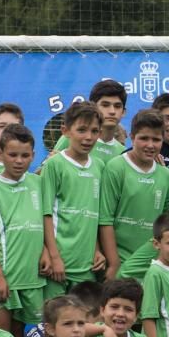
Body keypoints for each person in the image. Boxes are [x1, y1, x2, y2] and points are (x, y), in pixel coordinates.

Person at [0, 123, 46, 337]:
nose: (19, 160)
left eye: (25, 155)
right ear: (0, 153)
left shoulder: (38, 182)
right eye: (13, 154)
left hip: (33, 278)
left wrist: (45, 250)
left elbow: (46, 221)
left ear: (33, 155)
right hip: (6, 277)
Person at [98, 109, 169, 280]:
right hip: (120, 260)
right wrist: (113, 263)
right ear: (132, 137)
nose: (150, 145)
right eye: (144, 138)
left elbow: (167, 223)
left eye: (156, 139)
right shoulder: (116, 168)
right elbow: (105, 219)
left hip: (151, 263)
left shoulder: (166, 176)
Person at [41, 102, 105, 298]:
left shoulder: (100, 166)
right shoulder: (54, 164)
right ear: (66, 131)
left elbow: (95, 214)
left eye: (94, 131)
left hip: (87, 266)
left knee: (84, 322)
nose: (88, 137)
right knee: (55, 323)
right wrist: (53, 256)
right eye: (82, 130)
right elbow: (45, 213)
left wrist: (98, 250)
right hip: (59, 265)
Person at [52, 79, 129, 164]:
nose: (112, 111)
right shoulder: (72, 137)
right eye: (105, 105)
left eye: (117, 106)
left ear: (123, 112)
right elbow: (44, 172)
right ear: (93, 107)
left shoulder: (123, 152)